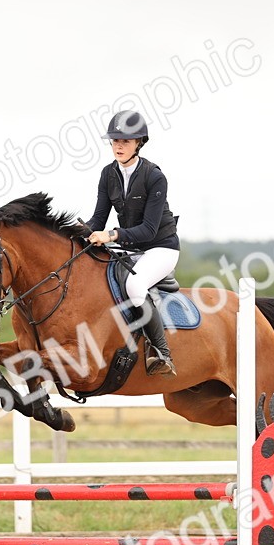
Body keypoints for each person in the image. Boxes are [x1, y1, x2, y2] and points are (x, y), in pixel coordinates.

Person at [86, 110, 180, 377]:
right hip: (130, 247)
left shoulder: (154, 177)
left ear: (139, 142)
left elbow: (149, 230)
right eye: (115, 140)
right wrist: (73, 232)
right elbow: (98, 219)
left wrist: (111, 235)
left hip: (161, 247)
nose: (118, 145)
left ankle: (161, 352)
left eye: (125, 141)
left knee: (135, 285)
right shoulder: (108, 174)